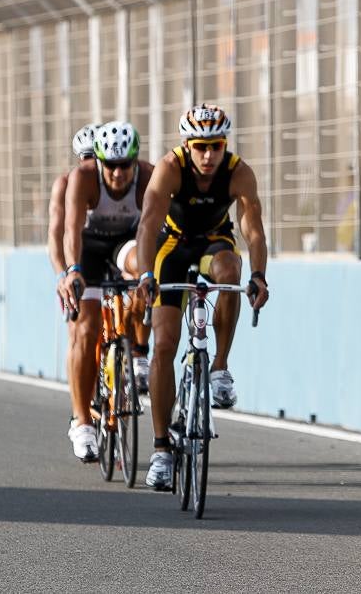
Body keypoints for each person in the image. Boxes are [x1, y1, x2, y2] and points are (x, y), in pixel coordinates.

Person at [134, 103, 269, 490]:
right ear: (187, 145)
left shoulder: (238, 171)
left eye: (216, 146)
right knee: (164, 345)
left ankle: (219, 368)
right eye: (200, 147)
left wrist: (259, 275)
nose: (209, 155)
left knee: (232, 272)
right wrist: (145, 274)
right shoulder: (169, 168)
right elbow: (147, 225)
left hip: (213, 241)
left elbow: (253, 230)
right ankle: (161, 449)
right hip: (171, 246)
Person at [59, 121, 154, 462]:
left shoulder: (147, 177)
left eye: (124, 165)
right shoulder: (82, 177)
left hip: (125, 244)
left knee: (143, 272)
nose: (116, 173)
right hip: (90, 248)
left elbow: (151, 229)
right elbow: (70, 231)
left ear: (135, 161)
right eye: (109, 165)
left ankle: (139, 353)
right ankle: (82, 421)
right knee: (85, 329)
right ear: (98, 162)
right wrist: (71, 272)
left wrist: (146, 275)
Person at [48, 124, 99, 278]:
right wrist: (61, 275)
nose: (92, 163)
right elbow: (56, 233)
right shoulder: (64, 184)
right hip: (79, 253)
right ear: (79, 158)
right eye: (87, 157)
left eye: (97, 157)